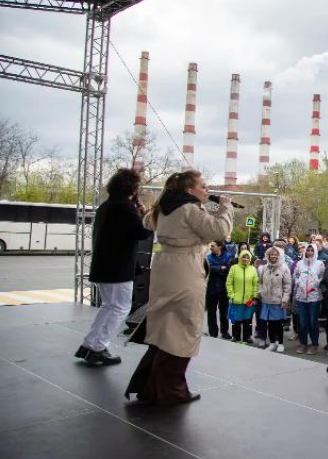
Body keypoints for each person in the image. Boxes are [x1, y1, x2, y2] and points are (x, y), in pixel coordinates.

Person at [125, 170, 233, 405]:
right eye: (203, 186)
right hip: (185, 269)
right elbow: (219, 231)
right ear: (189, 190)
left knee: (165, 327)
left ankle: (151, 387)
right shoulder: (189, 209)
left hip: (165, 267)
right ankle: (171, 390)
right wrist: (225, 208)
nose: (207, 191)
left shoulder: (164, 207)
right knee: (185, 327)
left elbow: (147, 222)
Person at [75, 168, 152, 365]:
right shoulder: (125, 208)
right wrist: (145, 216)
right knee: (120, 307)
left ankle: (91, 343)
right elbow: (142, 233)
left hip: (104, 267)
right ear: (133, 189)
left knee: (109, 306)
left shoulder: (107, 206)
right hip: (118, 269)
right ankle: (97, 347)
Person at [257, 246, 291, 353]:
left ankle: (280, 343)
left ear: (279, 255)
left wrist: (285, 299)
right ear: (268, 255)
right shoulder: (265, 268)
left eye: (276, 254)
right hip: (266, 301)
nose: (273, 256)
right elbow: (260, 282)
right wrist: (260, 292)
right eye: (271, 254)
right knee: (269, 323)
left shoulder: (284, 268)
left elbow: (287, 285)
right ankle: (272, 343)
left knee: (278, 324)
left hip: (278, 301)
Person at [292, 244, 325, 354]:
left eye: (312, 250)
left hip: (314, 297)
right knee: (302, 322)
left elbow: (322, 277)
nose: (309, 252)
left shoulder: (320, 264)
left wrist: (316, 283)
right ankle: (303, 344)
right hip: (301, 297)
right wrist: (298, 283)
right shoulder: (300, 263)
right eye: (308, 250)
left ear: (315, 251)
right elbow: (295, 276)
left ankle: (314, 344)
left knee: (313, 321)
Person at [226, 250, 259, 343]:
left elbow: (255, 284)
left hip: (249, 300)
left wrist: (254, 296)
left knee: (247, 320)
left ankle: (247, 337)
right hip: (237, 299)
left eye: (247, 257)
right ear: (240, 258)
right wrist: (231, 295)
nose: (245, 259)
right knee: (236, 319)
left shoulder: (252, 269)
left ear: (250, 259)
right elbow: (229, 283)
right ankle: (236, 336)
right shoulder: (234, 268)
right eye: (244, 257)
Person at [205, 240, 232, 339]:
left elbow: (229, 270)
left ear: (219, 247)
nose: (211, 247)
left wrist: (215, 268)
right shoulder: (208, 257)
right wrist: (221, 268)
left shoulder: (228, 256)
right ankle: (213, 332)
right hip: (211, 289)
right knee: (211, 312)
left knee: (224, 312)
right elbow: (208, 269)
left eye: (213, 246)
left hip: (224, 289)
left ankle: (225, 332)